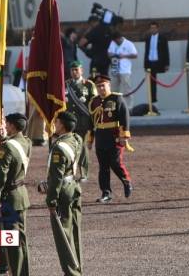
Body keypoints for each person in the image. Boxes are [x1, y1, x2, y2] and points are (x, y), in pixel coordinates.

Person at [0, 113, 32, 276]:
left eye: (7, 124)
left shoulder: (8, 147)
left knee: (12, 242)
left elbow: (0, 176)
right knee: (21, 240)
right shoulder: (27, 142)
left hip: (10, 198)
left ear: (13, 126)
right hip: (21, 194)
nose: (5, 126)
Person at [46, 111, 83, 276]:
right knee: (75, 233)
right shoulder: (76, 139)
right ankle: (78, 268)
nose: (55, 124)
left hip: (63, 190)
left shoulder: (59, 147)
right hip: (74, 186)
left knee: (64, 235)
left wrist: (51, 199)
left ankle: (71, 272)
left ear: (61, 124)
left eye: (56, 122)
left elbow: (56, 176)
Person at [88, 74, 133, 203]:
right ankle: (106, 193)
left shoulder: (116, 98)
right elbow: (91, 121)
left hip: (114, 136)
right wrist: (90, 139)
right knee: (103, 167)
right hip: (100, 137)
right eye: (98, 86)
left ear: (109, 85)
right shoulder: (94, 101)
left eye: (103, 85)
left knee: (115, 163)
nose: (101, 88)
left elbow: (124, 117)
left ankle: (126, 181)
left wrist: (124, 136)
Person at [65, 61, 97, 180]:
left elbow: (94, 103)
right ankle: (70, 172)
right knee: (69, 147)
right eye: (72, 70)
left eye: (76, 70)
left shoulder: (88, 85)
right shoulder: (66, 84)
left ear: (81, 70)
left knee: (82, 147)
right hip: (69, 122)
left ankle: (84, 173)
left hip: (83, 122)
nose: (74, 72)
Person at [107, 31, 138, 109]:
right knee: (113, 88)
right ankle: (114, 106)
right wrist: (113, 55)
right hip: (115, 68)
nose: (115, 42)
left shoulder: (129, 44)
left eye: (116, 40)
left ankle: (128, 107)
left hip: (125, 70)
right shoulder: (113, 43)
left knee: (126, 88)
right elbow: (109, 53)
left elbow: (135, 55)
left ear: (119, 38)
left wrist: (124, 56)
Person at [143, 21, 170, 104]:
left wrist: (167, 64)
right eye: (151, 28)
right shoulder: (148, 38)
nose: (153, 30)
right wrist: (145, 64)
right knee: (151, 83)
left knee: (160, 82)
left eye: (154, 28)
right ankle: (152, 99)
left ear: (157, 28)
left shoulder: (162, 38)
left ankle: (161, 99)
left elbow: (166, 51)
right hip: (150, 63)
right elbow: (146, 51)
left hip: (159, 63)